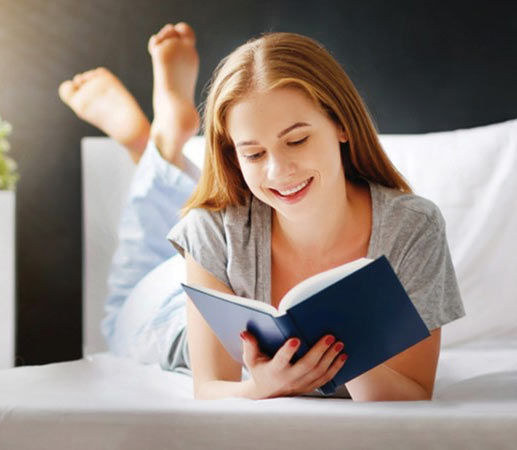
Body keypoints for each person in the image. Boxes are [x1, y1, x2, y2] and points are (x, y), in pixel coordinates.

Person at [60, 22, 466, 402]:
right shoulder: (211, 229)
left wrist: (348, 357)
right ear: (234, 156)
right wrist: (259, 388)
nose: (278, 171)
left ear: (341, 125)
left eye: (297, 140)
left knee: (201, 220)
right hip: (172, 310)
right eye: (253, 153)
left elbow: (415, 390)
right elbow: (210, 387)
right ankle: (156, 144)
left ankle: (155, 150)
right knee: (119, 317)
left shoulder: (412, 227)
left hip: (224, 251)